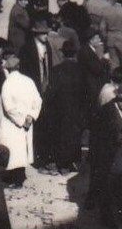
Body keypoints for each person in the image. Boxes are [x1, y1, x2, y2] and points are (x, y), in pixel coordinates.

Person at [86, 85, 122, 227]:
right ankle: (107, 222)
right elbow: (104, 136)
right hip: (107, 155)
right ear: (117, 98)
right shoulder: (107, 112)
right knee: (107, 189)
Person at [35, 37, 90, 174]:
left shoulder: (56, 70)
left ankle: (59, 163)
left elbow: (51, 92)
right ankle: (69, 163)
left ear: (63, 53)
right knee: (73, 136)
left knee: (59, 136)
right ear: (75, 54)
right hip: (77, 109)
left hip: (59, 110)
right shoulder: (82, 71)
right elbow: (86, 92)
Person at [0, 49, 41, 186]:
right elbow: (37, 100)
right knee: (22, 150)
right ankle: (19, 178)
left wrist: (20, 120)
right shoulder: (28, 81)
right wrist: (30, 116)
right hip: (26, 121)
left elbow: (9, 107)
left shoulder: (7, 84)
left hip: (13, 123)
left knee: (12, 150)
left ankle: (13, 180)